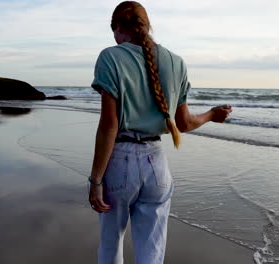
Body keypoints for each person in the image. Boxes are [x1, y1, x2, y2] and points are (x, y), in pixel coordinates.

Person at [88, 1, 232, 263]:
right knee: (152, 252)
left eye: (113, 30)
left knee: (110, 246)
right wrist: (211, 114)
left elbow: (109, 125)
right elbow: (184, 123)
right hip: (157, 164)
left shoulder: (110, 57)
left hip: (120, 160)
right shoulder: (176, 62)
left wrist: (96, 180)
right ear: (147, 25)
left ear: (117, 27)